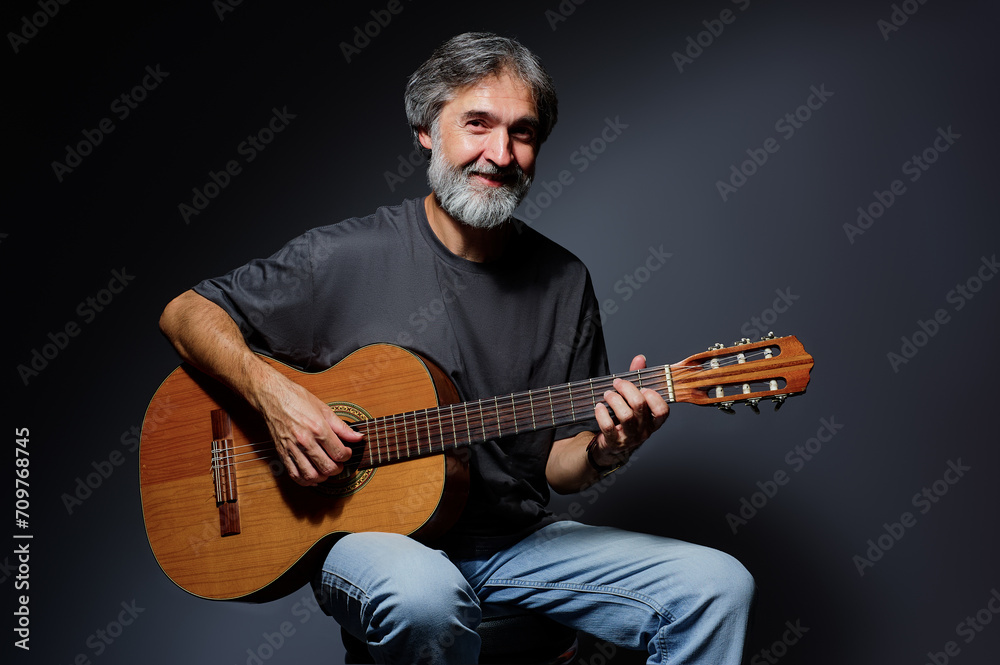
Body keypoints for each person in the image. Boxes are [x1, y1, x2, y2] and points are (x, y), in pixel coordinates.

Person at [159, 32, 754, 664]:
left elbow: (557, 465)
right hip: (373, 542)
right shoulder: (342, 257)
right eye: (477, 124)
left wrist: (607, 450)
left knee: (717, 587)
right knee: (424, 596)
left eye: (522, 133)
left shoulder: (564, 279)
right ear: (426, 130)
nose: (500, 153)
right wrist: (275, 398)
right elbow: (184, 314)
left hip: (517, 544)